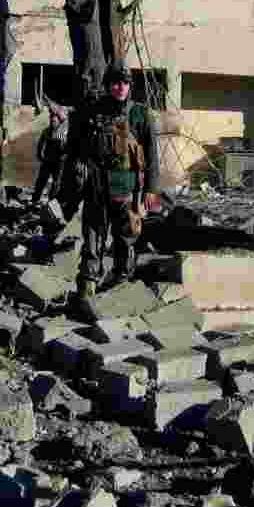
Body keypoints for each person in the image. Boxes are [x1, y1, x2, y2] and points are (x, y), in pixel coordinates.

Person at [64, 58, 161, 315]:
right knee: (93, 240)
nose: (120, 87)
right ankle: (86, 292)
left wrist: (151, 188)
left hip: (127, 189)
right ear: (108, 85)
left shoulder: (140, 114)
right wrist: (72, 182)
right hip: (96, 187)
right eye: (115, 83)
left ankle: (119, 289)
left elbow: (152, 154)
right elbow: (74, 148)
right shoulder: (92, 110)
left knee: (125, 239)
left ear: (130, 86)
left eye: (124, 83)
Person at [33, 105, 68, 204]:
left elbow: (66, 147)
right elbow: (41, 143)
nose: (52, 121)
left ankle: (52, 201)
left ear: (59, 121)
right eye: (51, 119)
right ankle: (35, 199)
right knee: (41, 180)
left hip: (59, 161)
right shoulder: (47, 131)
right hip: (48, 160)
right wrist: (39, 154)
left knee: (56, 182)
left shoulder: (63, 130)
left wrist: (55, 109)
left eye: (54, 120)